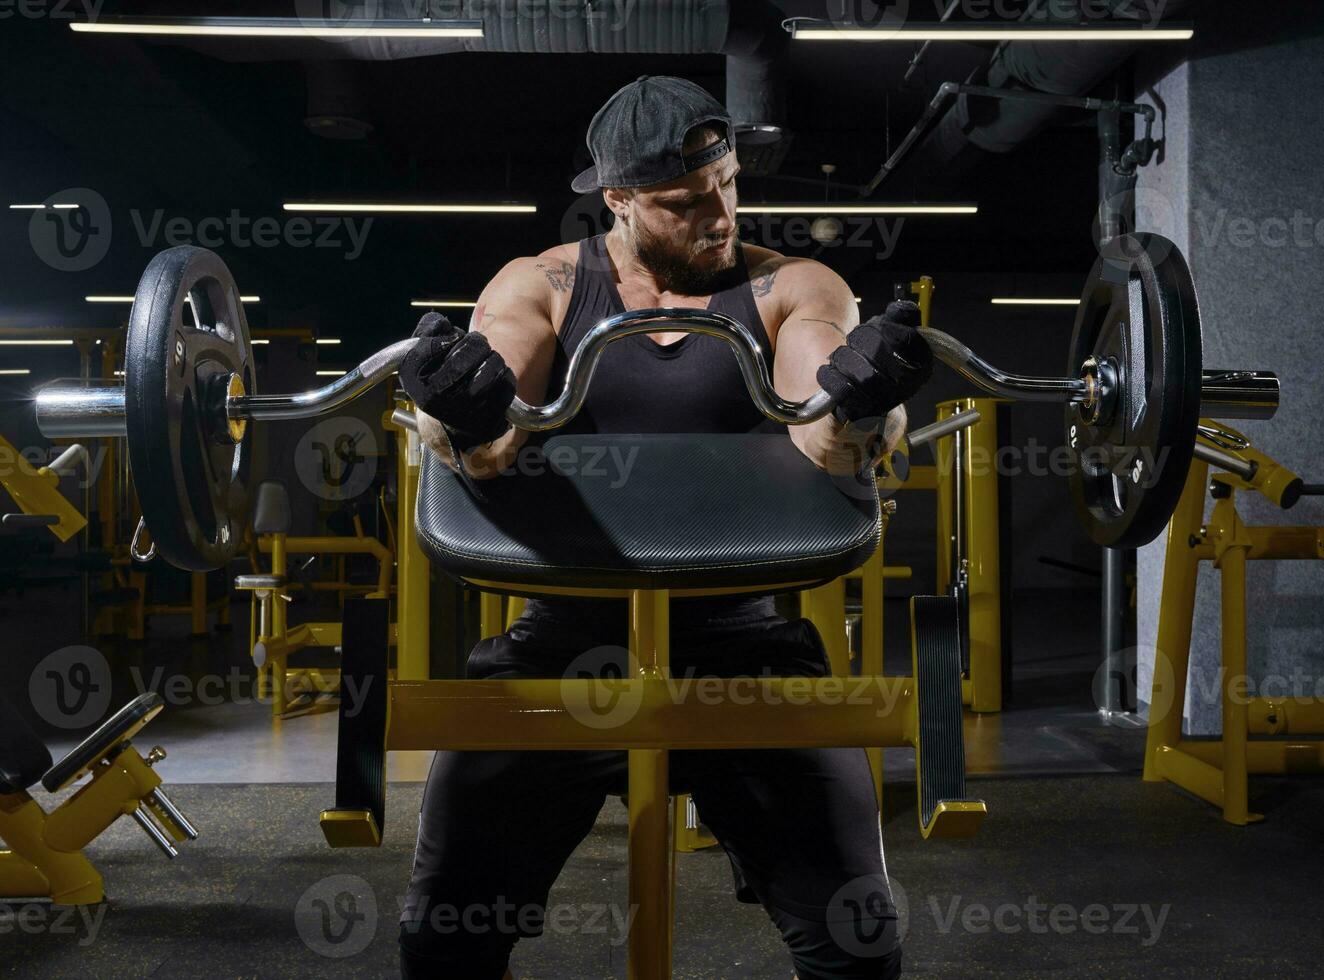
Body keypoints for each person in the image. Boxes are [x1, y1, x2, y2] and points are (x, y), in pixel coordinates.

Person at [399, 75, 933, 980]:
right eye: (685, 203)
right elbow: (485, 454)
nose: (718, 215)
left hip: (749, 649)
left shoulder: (787, 285)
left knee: (858, 945)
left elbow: (825, 440)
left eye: (727, 185)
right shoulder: (546, 285)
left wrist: (860, 401)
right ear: (616, 200)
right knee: (442, 943)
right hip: (563, 651)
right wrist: (469, 412)